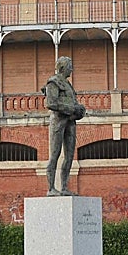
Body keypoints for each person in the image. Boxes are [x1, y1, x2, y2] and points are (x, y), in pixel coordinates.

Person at [44, 56, 86, 196]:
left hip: (70, 121)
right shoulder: (53, 82)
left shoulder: (68, 84)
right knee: (55, 154)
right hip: (58, 122)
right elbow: (51, 103)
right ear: (63, 67)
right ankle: (51, 188)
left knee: (69, 156)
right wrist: (72, 108)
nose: (72, 69)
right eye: (70, 66)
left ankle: (64, 187)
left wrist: (79, 110)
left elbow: (73, 102)